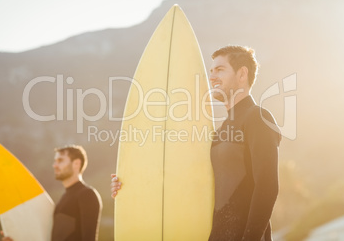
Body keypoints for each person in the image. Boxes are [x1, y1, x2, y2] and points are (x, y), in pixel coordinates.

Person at [111, 45, 281, 241]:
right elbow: (192, 182)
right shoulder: (220, 131)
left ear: (242, 74)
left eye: (220, 69)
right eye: (211, 71)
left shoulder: (257, 117)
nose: (212, 77)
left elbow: (267, 186)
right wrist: (130, 184)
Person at [2, 145, 103, 241]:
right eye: (55, 161)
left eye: (60, 160)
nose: (54, 165)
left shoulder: (87, 194)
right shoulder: (63, 199)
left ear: (76, 163)